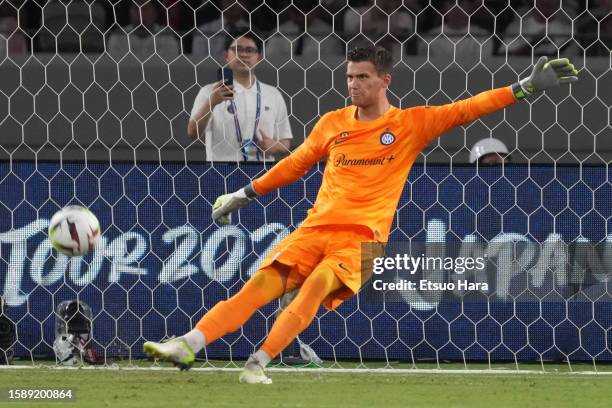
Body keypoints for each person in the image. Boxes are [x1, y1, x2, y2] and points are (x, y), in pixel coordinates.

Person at [145, 46, 578, 384]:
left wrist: (525, 87)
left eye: (363, 77)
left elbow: (467, 108)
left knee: (313, 287)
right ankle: (189, 343)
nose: (353, 84)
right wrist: (243, 193)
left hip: (364, 241)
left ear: (384, 80)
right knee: (258, 286)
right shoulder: (333, 122)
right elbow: (295, 164)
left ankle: (258, 362)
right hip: (315, 228)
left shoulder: (410, 124)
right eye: (350, 77)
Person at [187, 30, 292, 162]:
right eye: (237, 49)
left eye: (249, 50)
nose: (243, 54)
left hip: (263, 174)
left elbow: (286, 142)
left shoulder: (273, 94)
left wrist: (274, 146)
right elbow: (192, 133)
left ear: (259, 57)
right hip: (221, 174)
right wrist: (211, 102)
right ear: (226, 55)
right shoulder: (209, 91)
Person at [106, 0, 179, 61]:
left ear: (155, 13)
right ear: (129, 12)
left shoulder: (166, 37)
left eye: (145, 8)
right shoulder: (118, 36)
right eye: (135, 8)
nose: (140, 13)